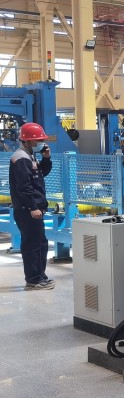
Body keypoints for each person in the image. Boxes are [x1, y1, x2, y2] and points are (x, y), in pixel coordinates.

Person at [10, 122, 53, 290]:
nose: (41, 143)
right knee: (32, 245)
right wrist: (33, 207)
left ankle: (40, 276)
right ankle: (33, 280)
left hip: (34, 208)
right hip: (27, 210)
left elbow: (42, 173)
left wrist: (46, 158)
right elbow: (24, 187)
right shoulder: (21, 158)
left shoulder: (29, 156)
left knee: (40, 243)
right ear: (27, 141)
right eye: (38, 140)